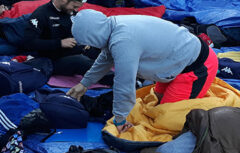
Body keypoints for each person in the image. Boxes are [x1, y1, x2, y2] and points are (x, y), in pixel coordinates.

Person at [67, 9, 218, 133]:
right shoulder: (111, 26)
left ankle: (215, 114)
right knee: (157, 102)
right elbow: (105, 58)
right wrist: (84, 84)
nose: (89, 46)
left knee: (165, 121)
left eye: (88, 42)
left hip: (198, 68)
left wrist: (119, 119)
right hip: (177, 63)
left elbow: (124, 83)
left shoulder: (123, 41)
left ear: (93, 37)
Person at [22, 0, 100, 76]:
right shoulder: (41, 14)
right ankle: (115, 80)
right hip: (50, 59)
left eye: (78, 7)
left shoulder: (70, 12)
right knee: (81, 61)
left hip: (70, 51)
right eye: (74, 6)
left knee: (101, 50)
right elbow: (28, 43)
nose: (76, 10)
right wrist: (60, 43)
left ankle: (120, 69)